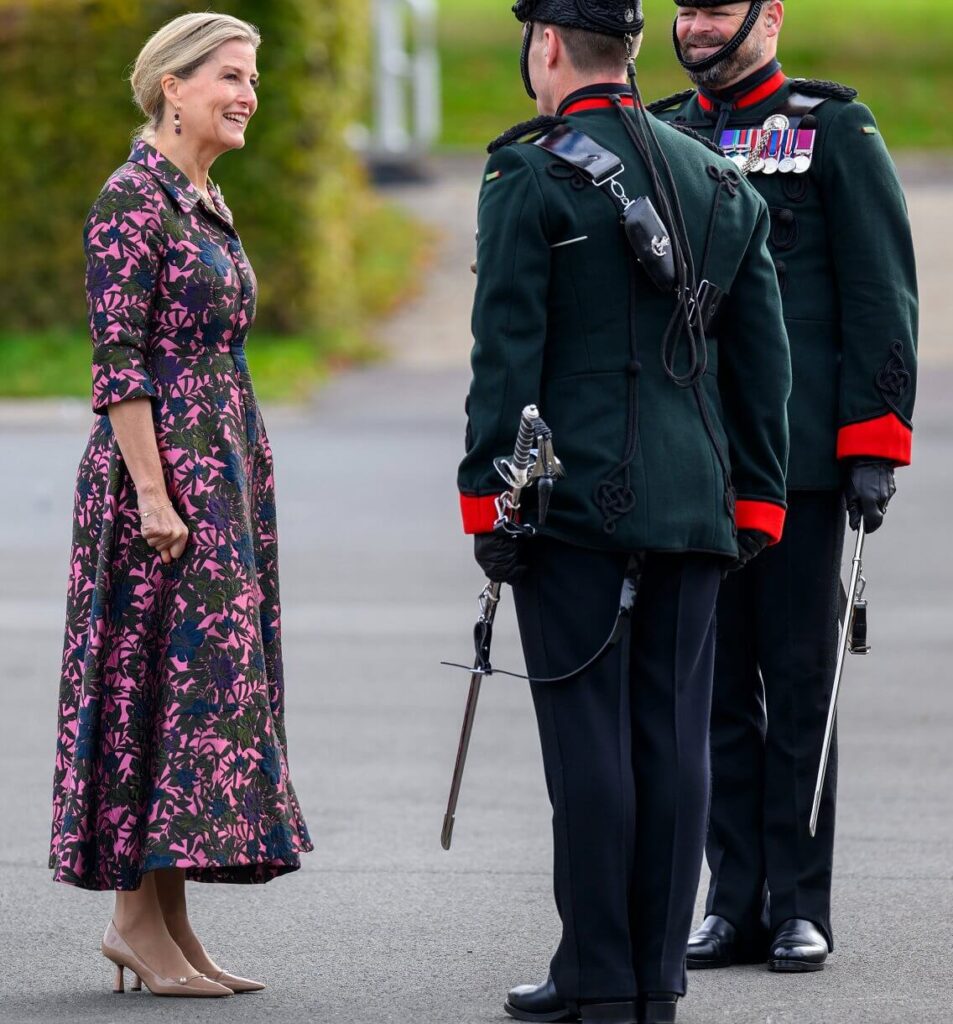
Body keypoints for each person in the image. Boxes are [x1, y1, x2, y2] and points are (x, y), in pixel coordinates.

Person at [457, 1, 792, 1020]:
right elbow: (759, 363)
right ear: (631, 49)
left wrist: (488, 501)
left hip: (567, 504)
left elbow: (505, 361)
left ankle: (595, 972)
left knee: (587, 744)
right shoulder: (719, 176)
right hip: (696, 499)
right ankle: (656, 977)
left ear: (545, 45)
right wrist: (759, 497)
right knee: (675, 740)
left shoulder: (527, 173)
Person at [649, 0, 918, 973]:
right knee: (709, 687)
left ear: (769, 16)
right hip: (695, 460)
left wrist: (872, 445)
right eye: (682, 9)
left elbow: (879, 290)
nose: (695, 25)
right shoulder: (662, 130)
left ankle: (801, 901)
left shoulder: (831, 129)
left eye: (716, 7)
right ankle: (733, 900)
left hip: (800, 463)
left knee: (798, 679)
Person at [49, 12, 313, 998]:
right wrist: (155, 496)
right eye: (230, 77)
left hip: (221, 473)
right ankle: (133, 920)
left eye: (253, 78)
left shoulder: (201, 195)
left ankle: (168, 919)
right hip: (158, 487)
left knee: (194, 692)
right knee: (154, 689)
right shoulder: (131, 201)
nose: (247, 93)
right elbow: (117, 367)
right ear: (172, 87)